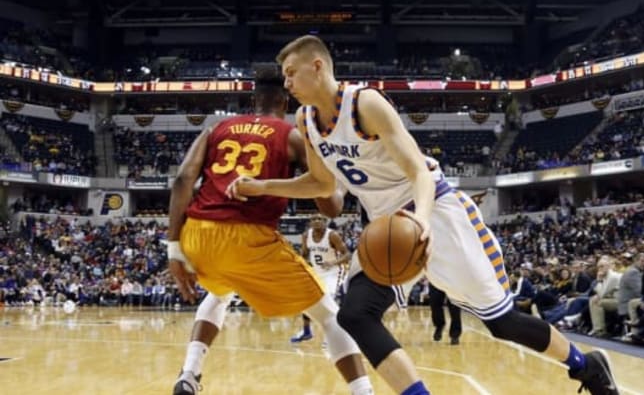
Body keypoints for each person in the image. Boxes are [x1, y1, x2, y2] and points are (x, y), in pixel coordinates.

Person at [228, 35, 618, 395]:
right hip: (385, 227)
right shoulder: (306, 123)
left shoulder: (365, 103)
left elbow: (418, 171)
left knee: (502, 323)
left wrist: (423, 222)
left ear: (318, 67)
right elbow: (321, 184)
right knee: (355, 315)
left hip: (434, 212)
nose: (287, 83)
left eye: (291, 73)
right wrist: (261, 187)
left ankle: (586, 366)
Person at [167, 66, 373, 395]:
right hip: (246, 236)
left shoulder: (216, 127)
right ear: (285, 102)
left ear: (254, 99)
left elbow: (182, 181)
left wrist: (174, 250)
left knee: (219, 294)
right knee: (330, 314)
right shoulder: (291, 134)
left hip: (196, 233)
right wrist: (343, 182)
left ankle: (189, 375)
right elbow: (331, 206)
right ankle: (363, 391)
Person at [291, 214, 351, 343]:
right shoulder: (306, 235)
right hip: (317, 272)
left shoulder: (332, 235)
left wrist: (333, 262)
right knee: (306, 300)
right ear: (310, 222)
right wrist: (301, 261)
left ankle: (334, 335)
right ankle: (306, 332)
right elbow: (305, 253)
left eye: (321, 219)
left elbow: (347, 255)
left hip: (334, 272)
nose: (317, 221)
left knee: (328, 299)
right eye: (314, 219)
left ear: (326, 221)